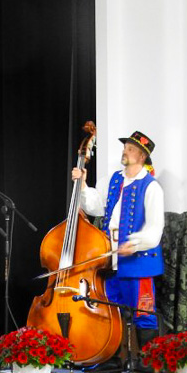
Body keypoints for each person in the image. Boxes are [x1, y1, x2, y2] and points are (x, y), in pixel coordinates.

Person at [72, 130, 164, 356]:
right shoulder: (113, 180)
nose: (125, 151)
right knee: (108, 309)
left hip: (137, 260)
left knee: (143, 311)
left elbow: (155, 228)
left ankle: (147, 361)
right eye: (125, 147)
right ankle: (110, 356)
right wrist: (83, 186)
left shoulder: (151, 187)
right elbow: (95, 207)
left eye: (131, 149)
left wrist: (133, 244)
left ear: (142, 156)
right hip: (109, 256)